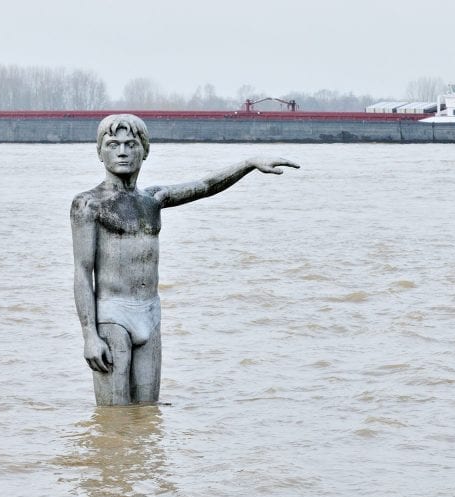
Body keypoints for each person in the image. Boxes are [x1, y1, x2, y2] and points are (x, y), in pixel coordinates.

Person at [71, 114, 299, 405]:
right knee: (114, 412)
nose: (123, 151)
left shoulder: (153, 199)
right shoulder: (89, 204)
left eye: (131, 144)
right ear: (100, 152)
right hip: (113, 315)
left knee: (147, 411)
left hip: (150, 313)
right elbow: (81, 271)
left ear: (144, 151)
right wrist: (90, 334)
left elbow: (205, 185)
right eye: (113, 144)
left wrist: (248, 164)